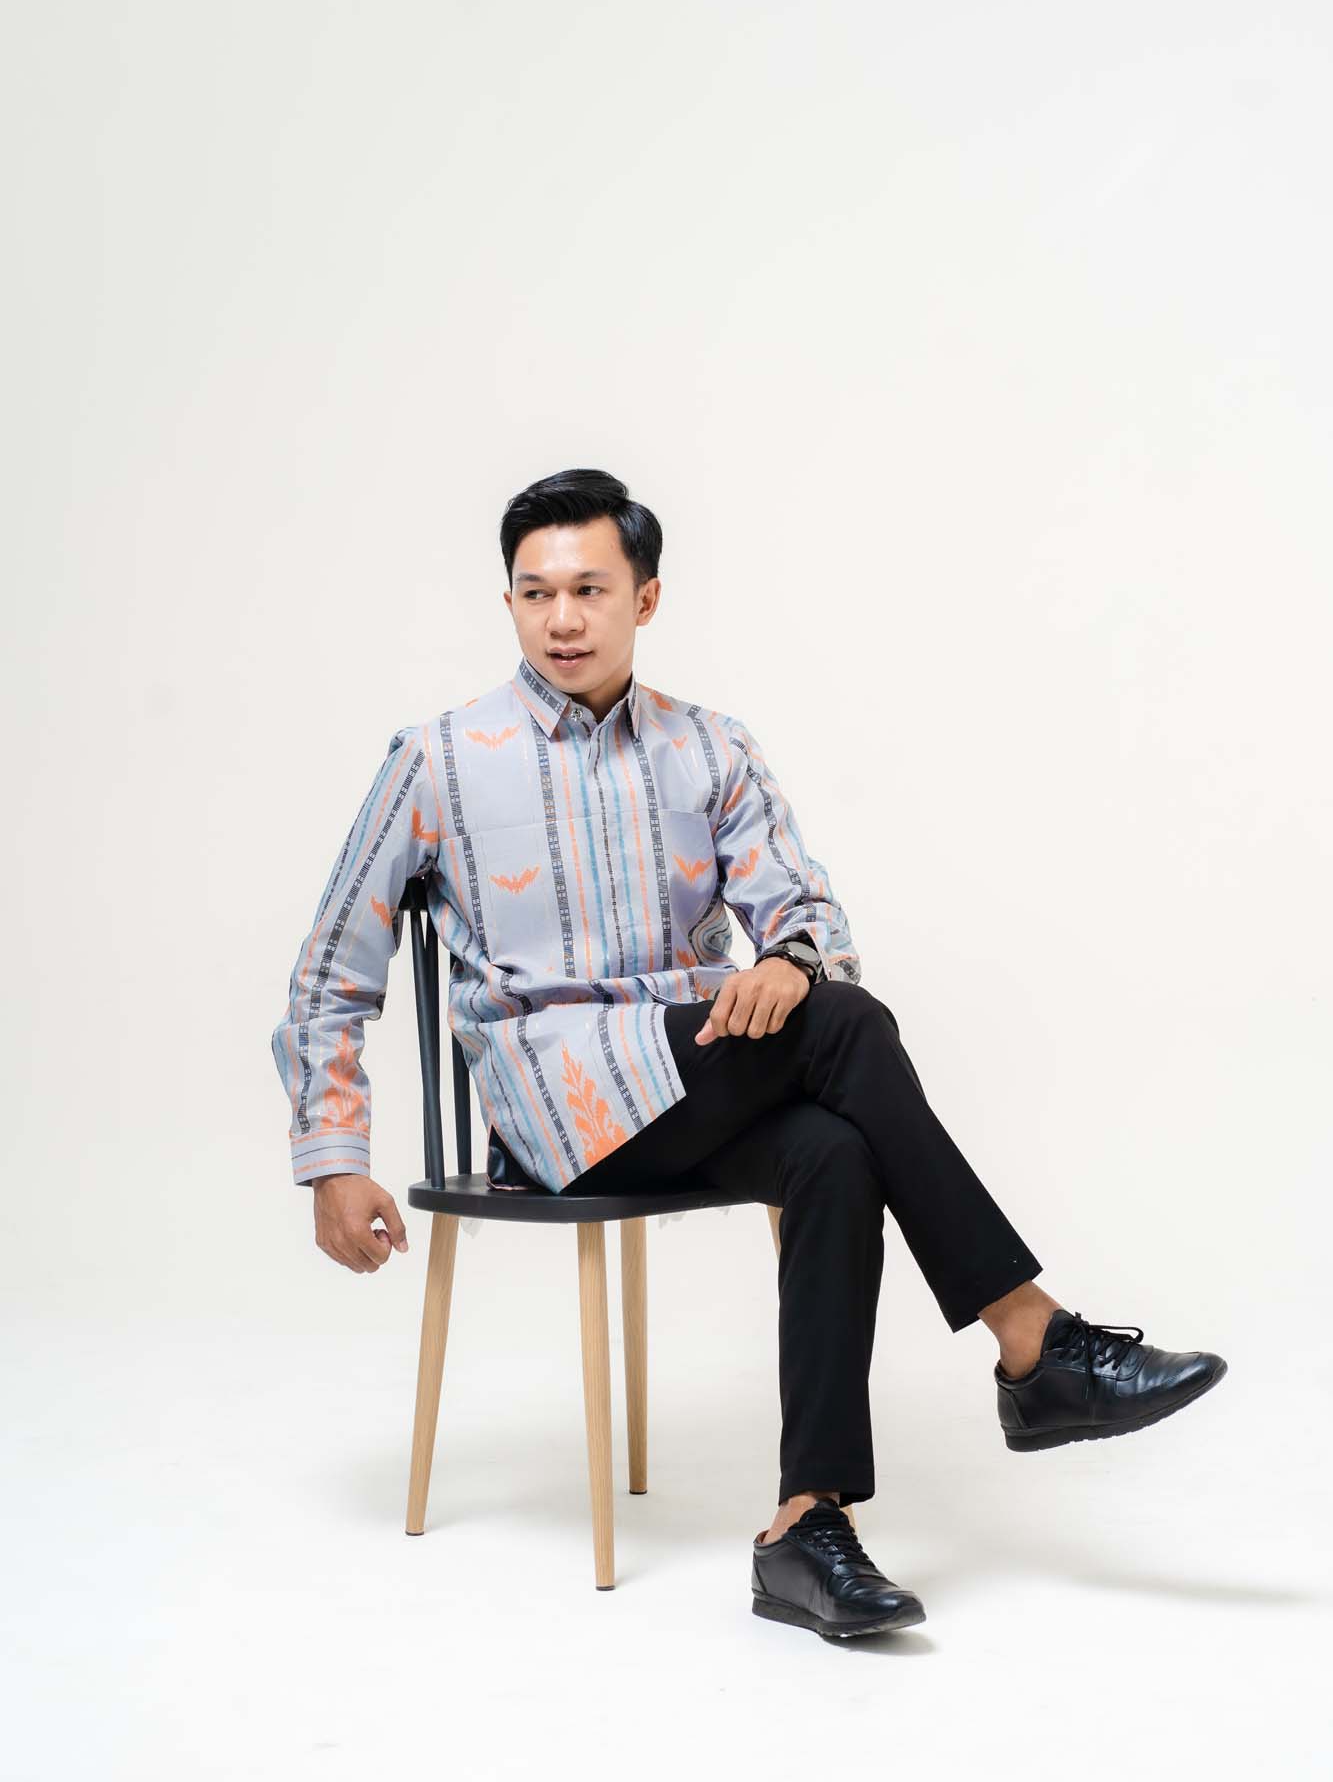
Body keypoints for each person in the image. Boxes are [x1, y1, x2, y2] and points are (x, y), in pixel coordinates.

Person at [271, 468, 1228, 1643]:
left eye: (589, 589)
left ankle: (804, 1527)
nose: (561, 618)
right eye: (534, 592)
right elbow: (331, 968)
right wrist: (334, 1158)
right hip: (557, 1109)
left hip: (699, 1079)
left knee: (833, 1146)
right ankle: (1032, 1340)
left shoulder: (710, 747)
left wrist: (786, 957)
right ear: (509, 600)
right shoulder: (440, 758)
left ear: (645, 597)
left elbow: (805, 907)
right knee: (847, 1024)